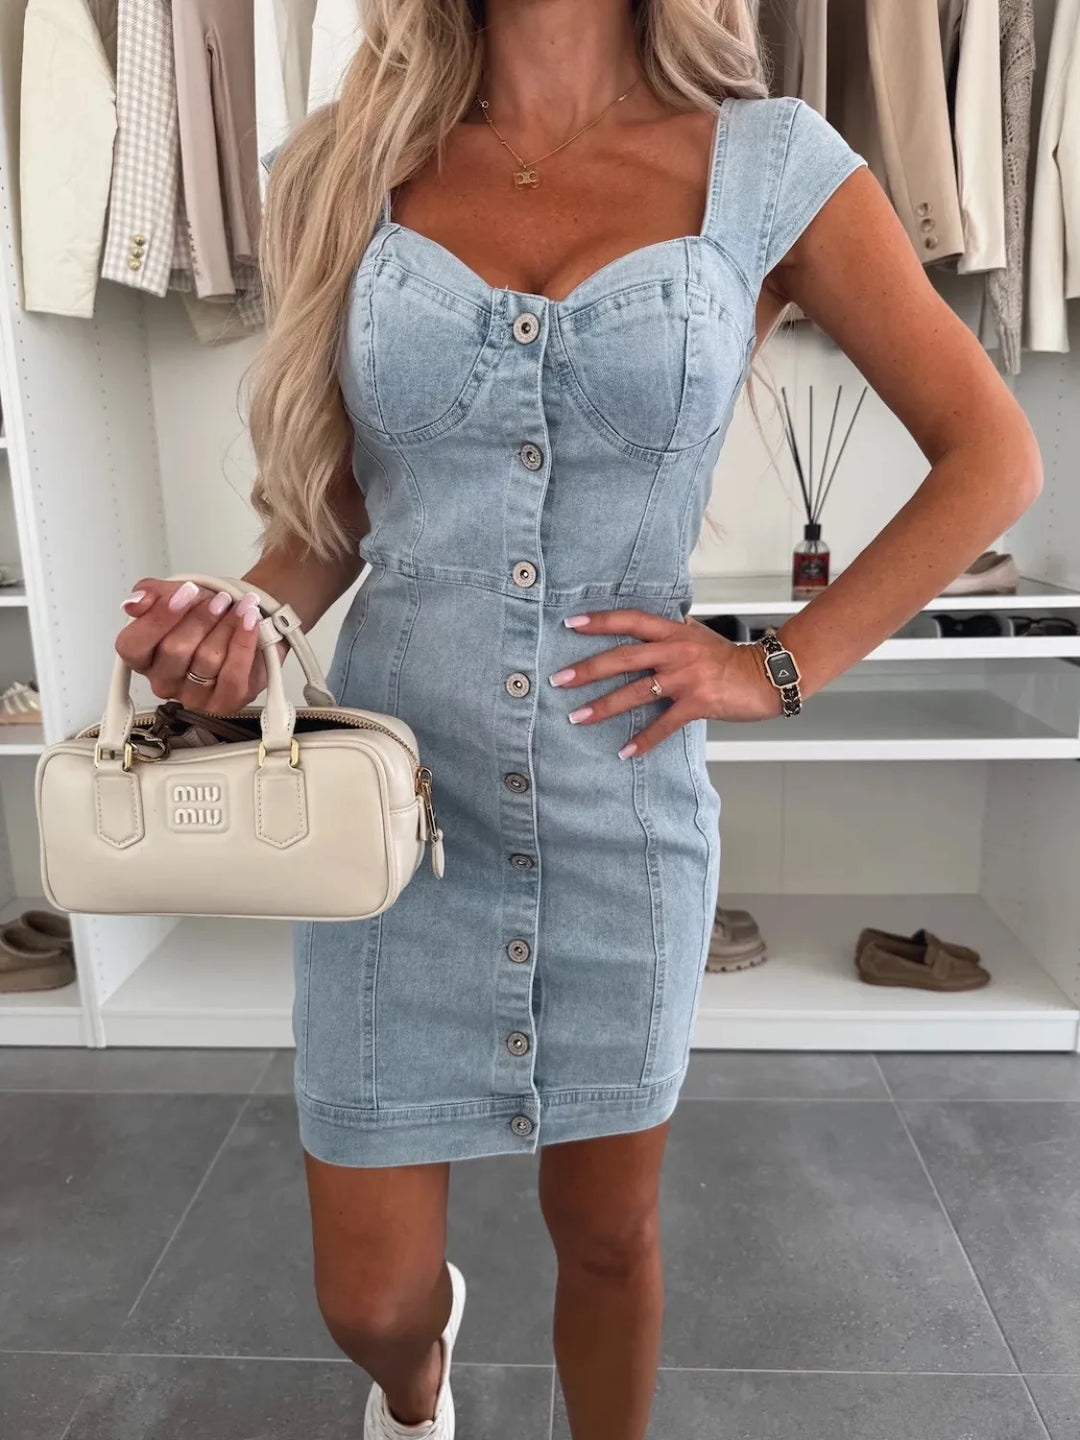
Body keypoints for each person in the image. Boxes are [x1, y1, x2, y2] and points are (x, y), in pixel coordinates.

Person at [114, 2, 1042, 1436]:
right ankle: (418, 1386)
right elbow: (333, 521)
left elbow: (994, 455)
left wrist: (777, 665)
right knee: (368, 1300)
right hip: (397, 822)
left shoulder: (770, 164)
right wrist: (241, 630)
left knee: (609, 1238)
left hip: (624, 802)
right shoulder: (346, 159)